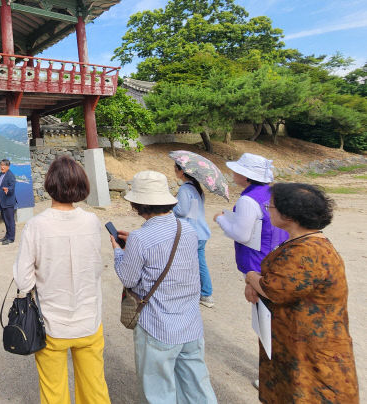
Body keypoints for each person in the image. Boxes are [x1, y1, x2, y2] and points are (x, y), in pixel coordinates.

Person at [244, 183, 358, 403]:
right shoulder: (302, 242)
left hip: (311, 350)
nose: (268, 209)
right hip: (297, 342)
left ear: (289, 215)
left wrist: (251, 277)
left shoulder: (307, 251)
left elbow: (275, 289)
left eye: (272, 206)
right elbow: (278, 280)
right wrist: (256, 281)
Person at [111, 170, 217, 404]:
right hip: (190, 322)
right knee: (196, 385)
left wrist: (119, 251)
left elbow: (129, 279)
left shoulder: (140, 238)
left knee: (158, 390)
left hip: (158, 324)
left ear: (138, 204)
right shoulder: (186, 230)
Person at [14, 156, 111, 404]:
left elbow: (23, 280)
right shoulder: (92, 221)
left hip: (51, 324)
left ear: (49, 185)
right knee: (95, 388)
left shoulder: (36, 226)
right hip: (89, 319)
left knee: (53, 392)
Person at [214, 153, 287, 275]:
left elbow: (242, 236)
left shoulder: (248, 200)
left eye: (236, 170)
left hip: (257, 262)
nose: (233, 173)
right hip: (276, 257)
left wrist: (220, 219)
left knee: (256, 293)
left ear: (245, 176)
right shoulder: (272, 192)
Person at [173, 162, 214, 307]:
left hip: (191, 233)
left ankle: (203, 294)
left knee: (187, 263)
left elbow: (182, 211)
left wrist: (171, 205)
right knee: (199, 263)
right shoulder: (197, 188)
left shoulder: (185, 189)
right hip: (201, 231)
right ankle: (205, 293)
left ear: (182, 171)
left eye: (175, 168)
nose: (174, 171)